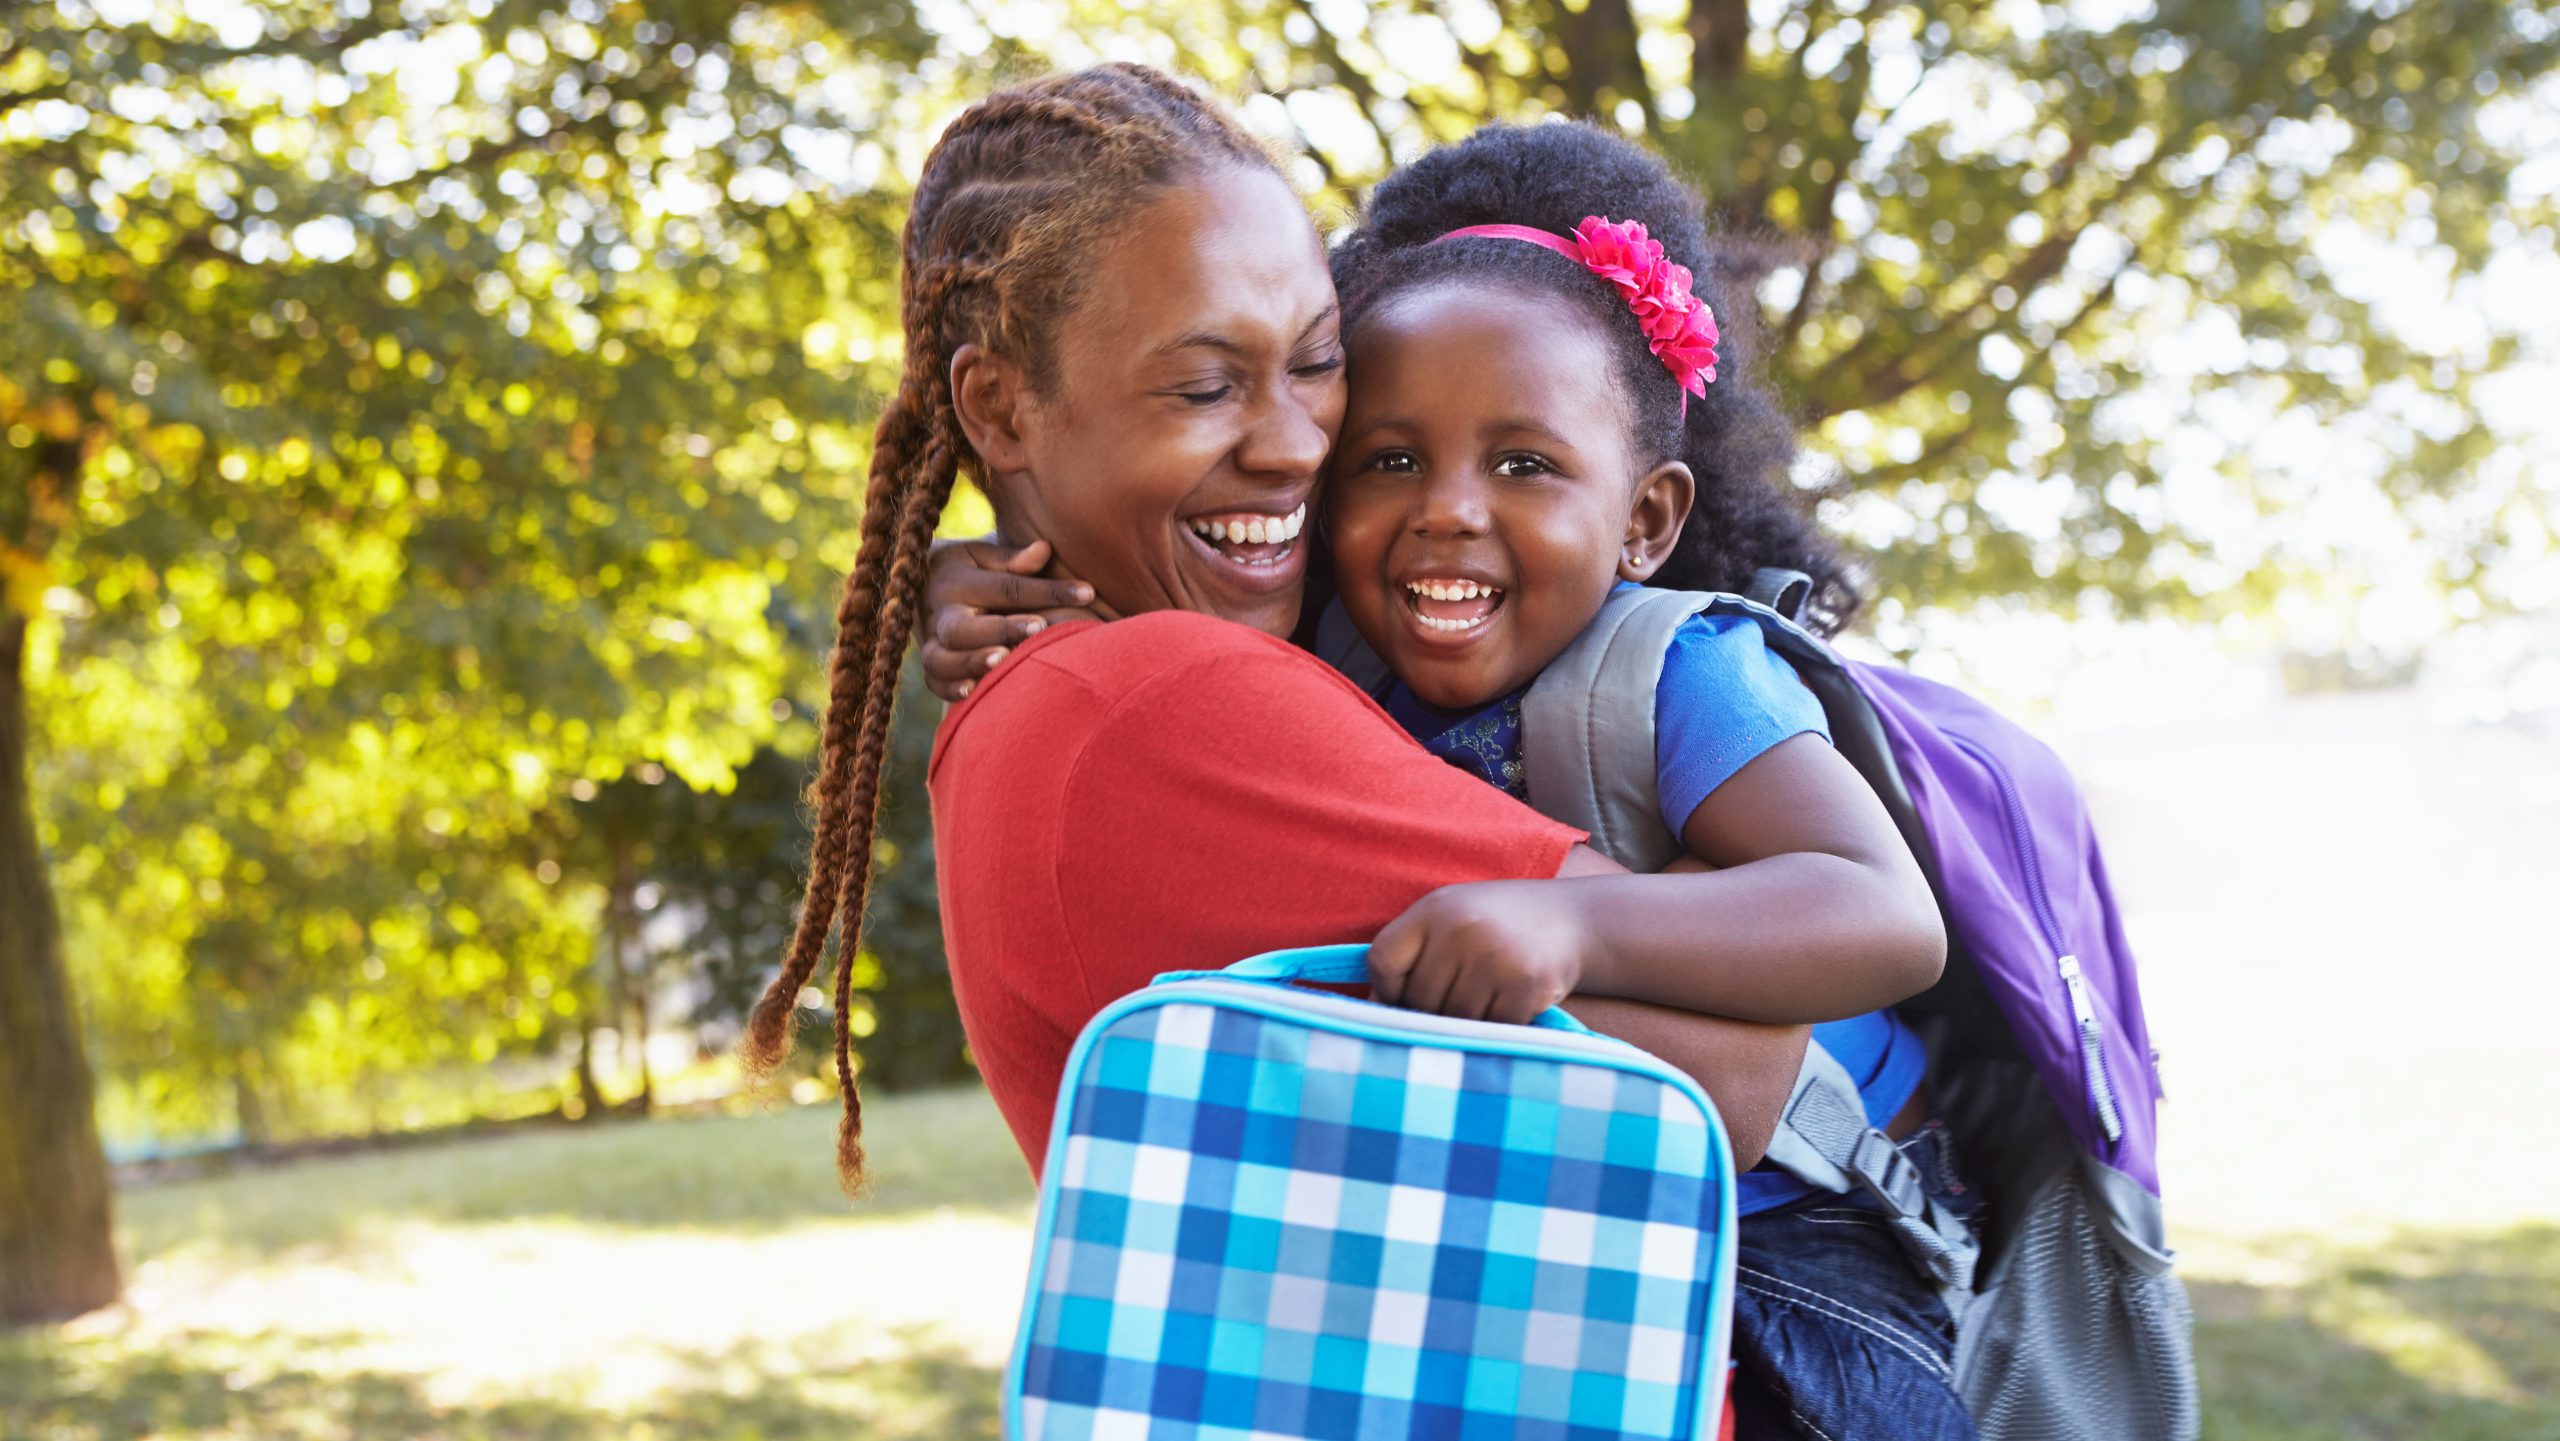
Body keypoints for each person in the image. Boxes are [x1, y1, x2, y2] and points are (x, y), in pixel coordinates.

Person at [738, 64, 1807, 1215]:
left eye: (1315, 362)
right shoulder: (1157, 700)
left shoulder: (1093, 674)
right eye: (1204, 386)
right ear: (998, 411)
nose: (1300, 446)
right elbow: (1747, 1077)